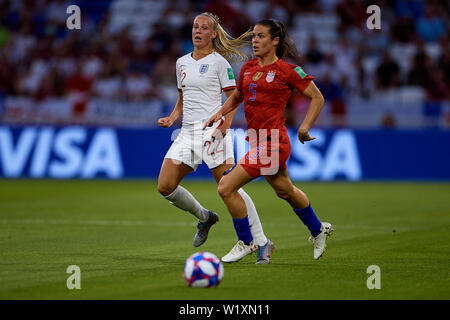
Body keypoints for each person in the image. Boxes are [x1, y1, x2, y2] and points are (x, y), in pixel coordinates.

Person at [204, 19, 333, 263]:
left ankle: (246, 241)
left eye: (261, 36)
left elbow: (317, 98)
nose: (255, 40)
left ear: (275, 41)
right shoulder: (249, 68)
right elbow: (238, 97)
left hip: (273, 143)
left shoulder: (288, 70)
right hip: (257, 140)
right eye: (253, 36)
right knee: (285, 190)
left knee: (225, 186)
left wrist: (304, 128)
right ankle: (318, 229)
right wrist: (220, 113)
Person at [157, 12, 273, 264]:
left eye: (204, 27)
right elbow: (182, 97)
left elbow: (233, 98)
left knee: (230, 187)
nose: (197, 30)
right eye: (195, 26)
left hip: (213, 132)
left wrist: (225, 125)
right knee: (165, 186)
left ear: (212, 34)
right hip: (187, 133)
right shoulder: (181, 63)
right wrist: (172, 116)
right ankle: (205, 217)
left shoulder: (220, 63)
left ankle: (261, 241)